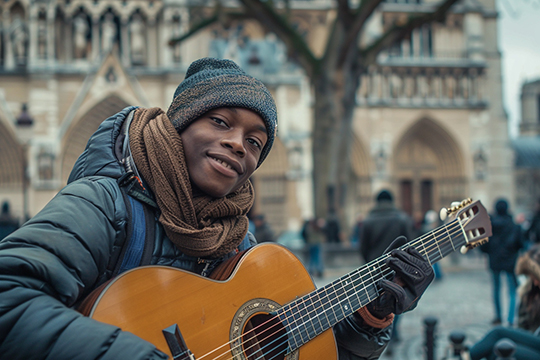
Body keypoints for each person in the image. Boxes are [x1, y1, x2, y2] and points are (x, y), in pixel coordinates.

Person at [0, 57, 434, 360]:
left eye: (255, 142)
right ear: (179, 124)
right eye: (221, 122)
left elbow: (290, 348)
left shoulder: (239, 243)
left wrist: (369, 317)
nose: (236, 144)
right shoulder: (105, 202)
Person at [359, 189, 414, 353]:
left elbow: (363, 248)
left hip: (374, 270)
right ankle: (393, 331)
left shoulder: (368, 221)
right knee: (397, 299)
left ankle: (383, 331)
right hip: (397, 268)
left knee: (378, 303)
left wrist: (369, 263)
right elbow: (410, 244)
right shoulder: (401, 219)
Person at [469, 244, 540, 360]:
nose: (535, 282)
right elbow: (524, 326)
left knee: (498, 332)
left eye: (536, 278)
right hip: (534, 343)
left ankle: (467, 356)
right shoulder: (532, 292)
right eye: (532, 278)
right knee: (496, 350)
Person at [480, 198, 524, 326]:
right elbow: (520, 244)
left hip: (494, 261)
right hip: (511, 262)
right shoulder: (514, 226)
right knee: (512, 291)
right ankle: (510, 318)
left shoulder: (489, 226)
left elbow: (483, 246)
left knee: (496, 289)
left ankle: (498, 316)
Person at [421, 210, 443, 281]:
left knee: (435, 262)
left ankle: (436, 276)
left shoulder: (426, 229)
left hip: (433, 249)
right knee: (433, 263)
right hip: (431, 249)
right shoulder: (427, 230)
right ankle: (435, 276)